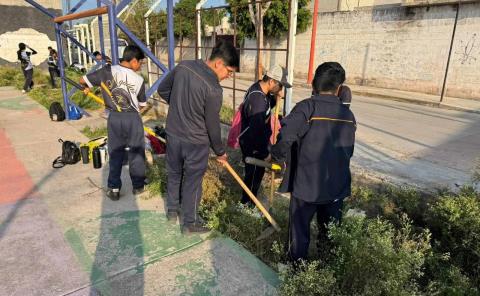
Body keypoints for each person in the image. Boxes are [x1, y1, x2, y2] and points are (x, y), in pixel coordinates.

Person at [271, 62, 356, 261]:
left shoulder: (307, 108)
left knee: (299, 233)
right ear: (339, 88)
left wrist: (277, 157)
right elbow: (348, 152)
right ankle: (327, 268)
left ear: (313, 84)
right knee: (330, 232)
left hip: (306, 188)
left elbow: (285, 137)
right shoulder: (348, 115)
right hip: (336, 187)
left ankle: (296, 269)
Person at [157, 40, 239, 234]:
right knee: (193, 181)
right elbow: (212, 125)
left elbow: (162, 90)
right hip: (196, 142)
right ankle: (189, 223)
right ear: (219, 63)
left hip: (174, 134)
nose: (228, 76)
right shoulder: (213, 89)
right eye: (229, 71)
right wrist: (220, 151)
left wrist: (178, 105)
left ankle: (171, 211)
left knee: (174, 173)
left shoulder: (184, 66)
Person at [79, 45, 148, 201]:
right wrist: (135, 114)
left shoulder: (106, 71)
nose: (140, 67)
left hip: (115, 118)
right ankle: (138, 186)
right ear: (134, 60)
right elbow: (143, 105)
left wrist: (85, 88)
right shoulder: (139, 80)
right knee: (136, 152)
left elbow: (82, 80)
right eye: (141, 63)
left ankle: (114, 188)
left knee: (116, 152)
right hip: (133, 118)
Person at [239, 65, 291, 205]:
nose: (281, 89)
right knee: (254, 175)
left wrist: (275, 97)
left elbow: (267, 108)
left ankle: (249, 202)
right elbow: (255, 132)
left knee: (255, 174)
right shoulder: (257, 100)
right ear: (272, 81)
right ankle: (246, 205)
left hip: (257, 139)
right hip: (252, 143)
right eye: (280, 86)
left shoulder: (262, 92)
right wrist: (264, 153)